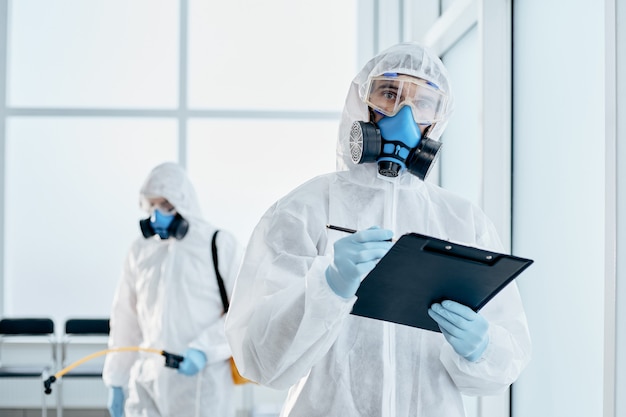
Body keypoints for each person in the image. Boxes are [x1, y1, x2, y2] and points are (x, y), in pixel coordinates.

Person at [224, 42, 531, 416]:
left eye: (422, 103)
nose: (404, 114)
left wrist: (482, 347)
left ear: (437, 118)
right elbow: (259, 358)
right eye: (389, 94)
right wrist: (327, 287)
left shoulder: (463, 221)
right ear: (363, 103)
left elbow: (505, 362)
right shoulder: (303, 209)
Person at [102, 162, 243, 417]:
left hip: (202, 385)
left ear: (184, 204)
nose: (158, 214)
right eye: (152, 206)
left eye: (166, 206)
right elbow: (125, 319)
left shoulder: (218, 244)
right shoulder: (140, 251)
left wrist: (204, 348)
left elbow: (243, 312)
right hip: (147, 384)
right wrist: (116, 378)